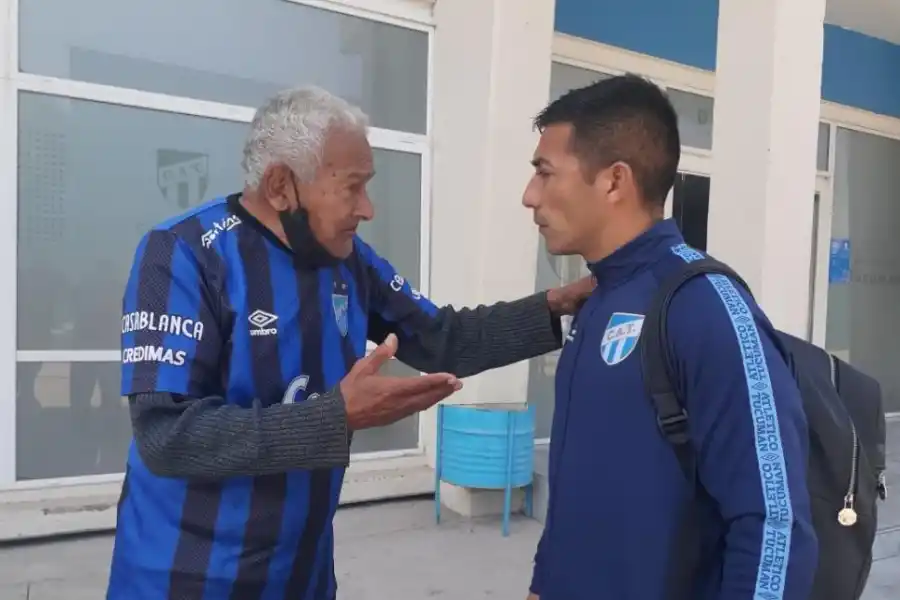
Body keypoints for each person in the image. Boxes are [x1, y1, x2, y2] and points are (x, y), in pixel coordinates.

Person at [107, 86, 593, 600]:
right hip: (187, 577)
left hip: (302, 573)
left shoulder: (349, 260)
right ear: (280, 186)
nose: (368, 208)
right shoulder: (185, 253)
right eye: (352, 187)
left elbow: (441, 338)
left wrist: (554, 308)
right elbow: (166, 435)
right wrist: (335, 417)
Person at [521, 75, 818, 600]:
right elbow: (579, 487)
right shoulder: (596, 300)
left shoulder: (703, 305)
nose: (530, 197)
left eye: (545, 174)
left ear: (614, 181)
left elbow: (774, 522)